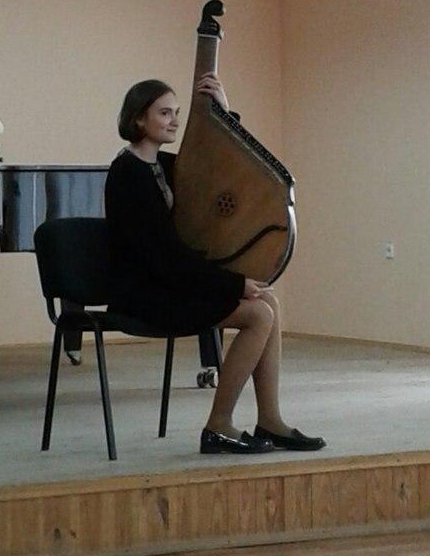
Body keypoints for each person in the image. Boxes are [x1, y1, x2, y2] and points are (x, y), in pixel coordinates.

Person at [104, 74, 325, 455]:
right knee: (257, 314)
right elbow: (165, 259)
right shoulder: (127, 175)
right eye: (164, 113)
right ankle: (218, 425)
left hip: (168, 284)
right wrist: (234, 284)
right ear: (138, 118)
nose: (174, 120)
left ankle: (270, 420)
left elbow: (218, 166)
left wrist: (224, 113)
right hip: (144, 295)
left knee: (269, 304)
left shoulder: (163, 166)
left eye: (176, 112)